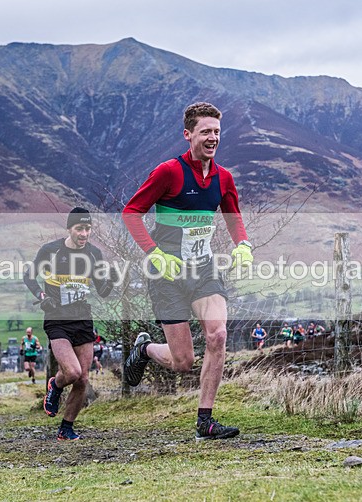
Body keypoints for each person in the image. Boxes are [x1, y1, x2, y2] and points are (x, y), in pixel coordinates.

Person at [122, 102, 253, 441]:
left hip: (203, 269)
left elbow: (233, 217)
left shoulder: (223, 178)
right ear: (188, 134)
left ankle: (205, 422)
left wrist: (242, 244)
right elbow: (131, 213)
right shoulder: (169, 172)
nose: (213, 138)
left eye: (217, 132)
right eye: (206, 131)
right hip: (166, 275)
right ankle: (145, 349)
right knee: (182, 362)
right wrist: (154, 253)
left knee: (217, 335)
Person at [23, 207, 115, 441]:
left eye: (88, 229)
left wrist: (112, 281)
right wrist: (42, 296)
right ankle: (55, 385)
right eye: (79, 229)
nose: (84, 233)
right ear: (69, 229)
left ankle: (66, 428)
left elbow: (103, 291)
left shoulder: (93, 254)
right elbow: (29, 276)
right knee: (72, 373)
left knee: (83, 378)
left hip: (82, 318)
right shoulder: (51, 250)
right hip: (57, 319)